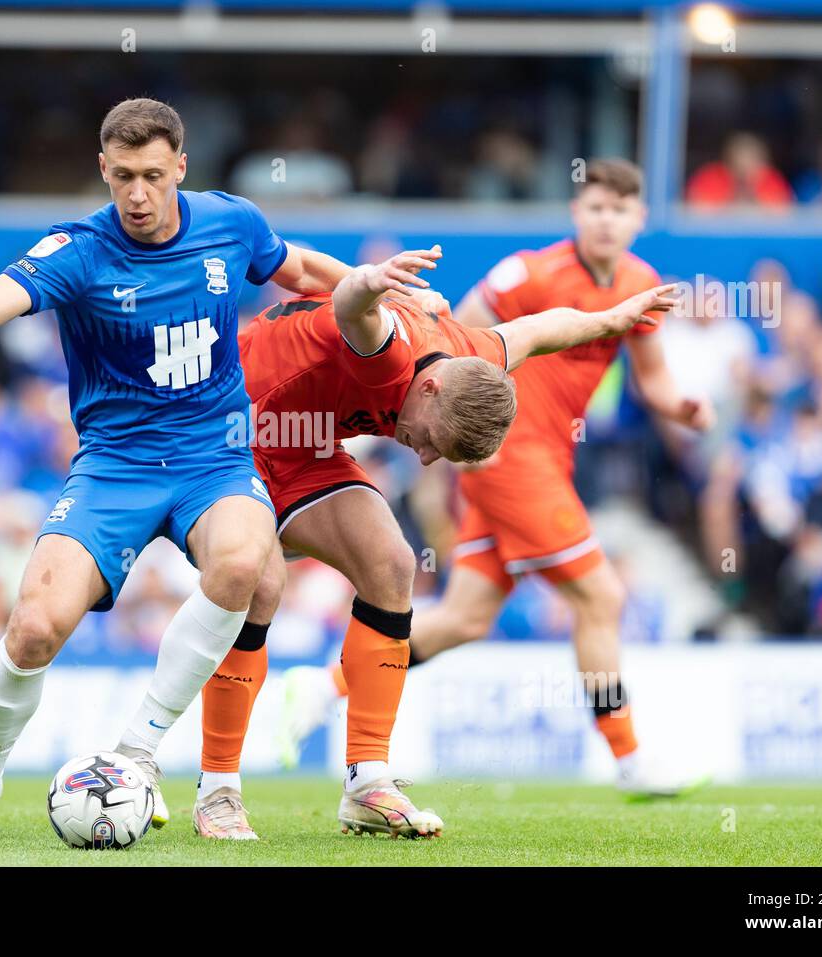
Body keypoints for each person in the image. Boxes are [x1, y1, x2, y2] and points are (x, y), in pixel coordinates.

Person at [0, 97, 350, 840]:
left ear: (181, 166)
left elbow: (299, 267)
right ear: (103, 170)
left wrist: (371, 284)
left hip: (211, 456)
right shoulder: (79, 251)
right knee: (32, 629)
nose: (139, 195)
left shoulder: (230, 222)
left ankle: (141, 754)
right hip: (113, 466)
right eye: (123, 177)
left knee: (249, 564)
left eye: (153, 175)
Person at [191, 244, 679, 839]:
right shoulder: (387, 349)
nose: (423, 457)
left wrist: (613, 319)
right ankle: (217, 789)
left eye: (435, 453)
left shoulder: (477, 352)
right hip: (231, 428)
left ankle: (368, 784)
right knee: (263, 586)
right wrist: (371, 280)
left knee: (394, 564)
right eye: (429, 440)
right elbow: (350, 305)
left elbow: (545, 328)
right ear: (428, 391)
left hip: (304, 444)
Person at [276, 159, 715, 799]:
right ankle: (630, 759)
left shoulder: (641, 283)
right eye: (595, 207)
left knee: (464, 618)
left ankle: (319, 687)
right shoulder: (529, 272)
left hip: (544, 460)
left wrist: (682, 408)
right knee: (601, 598)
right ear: (577, 213)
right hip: (511, 457)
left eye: (619, 210)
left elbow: (653, 377)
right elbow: (463, 338)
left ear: (638, 218)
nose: (606, 219)